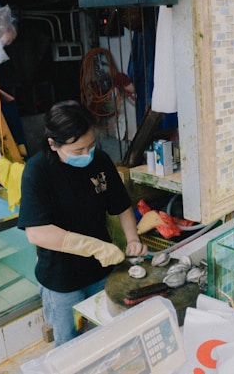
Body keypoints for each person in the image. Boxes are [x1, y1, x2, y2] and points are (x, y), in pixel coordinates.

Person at [17, 100, 147, 347]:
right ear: (53, 144)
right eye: (78, 150)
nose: (87, 155)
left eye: (91, 145)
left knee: (107, 334)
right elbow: (37, 233)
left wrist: (132, 240)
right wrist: (95, 247)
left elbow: (121, 205)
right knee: (69, 344)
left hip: (101, 271)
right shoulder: (38, 171)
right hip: (61, 279)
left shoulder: (100, 161)